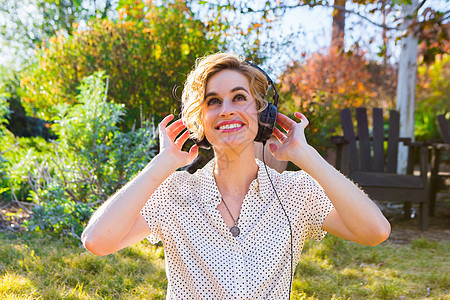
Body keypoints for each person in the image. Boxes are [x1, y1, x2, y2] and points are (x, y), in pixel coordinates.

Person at [81, 52, 391, 299]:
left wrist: (306, 156)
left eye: (239, 97)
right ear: (199, 122)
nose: (227, 110)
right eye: (213, 101)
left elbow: (374, 231)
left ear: (261, 113)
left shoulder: (297, 192)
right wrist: (162, 163)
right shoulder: (172, 192)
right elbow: (98, 241)